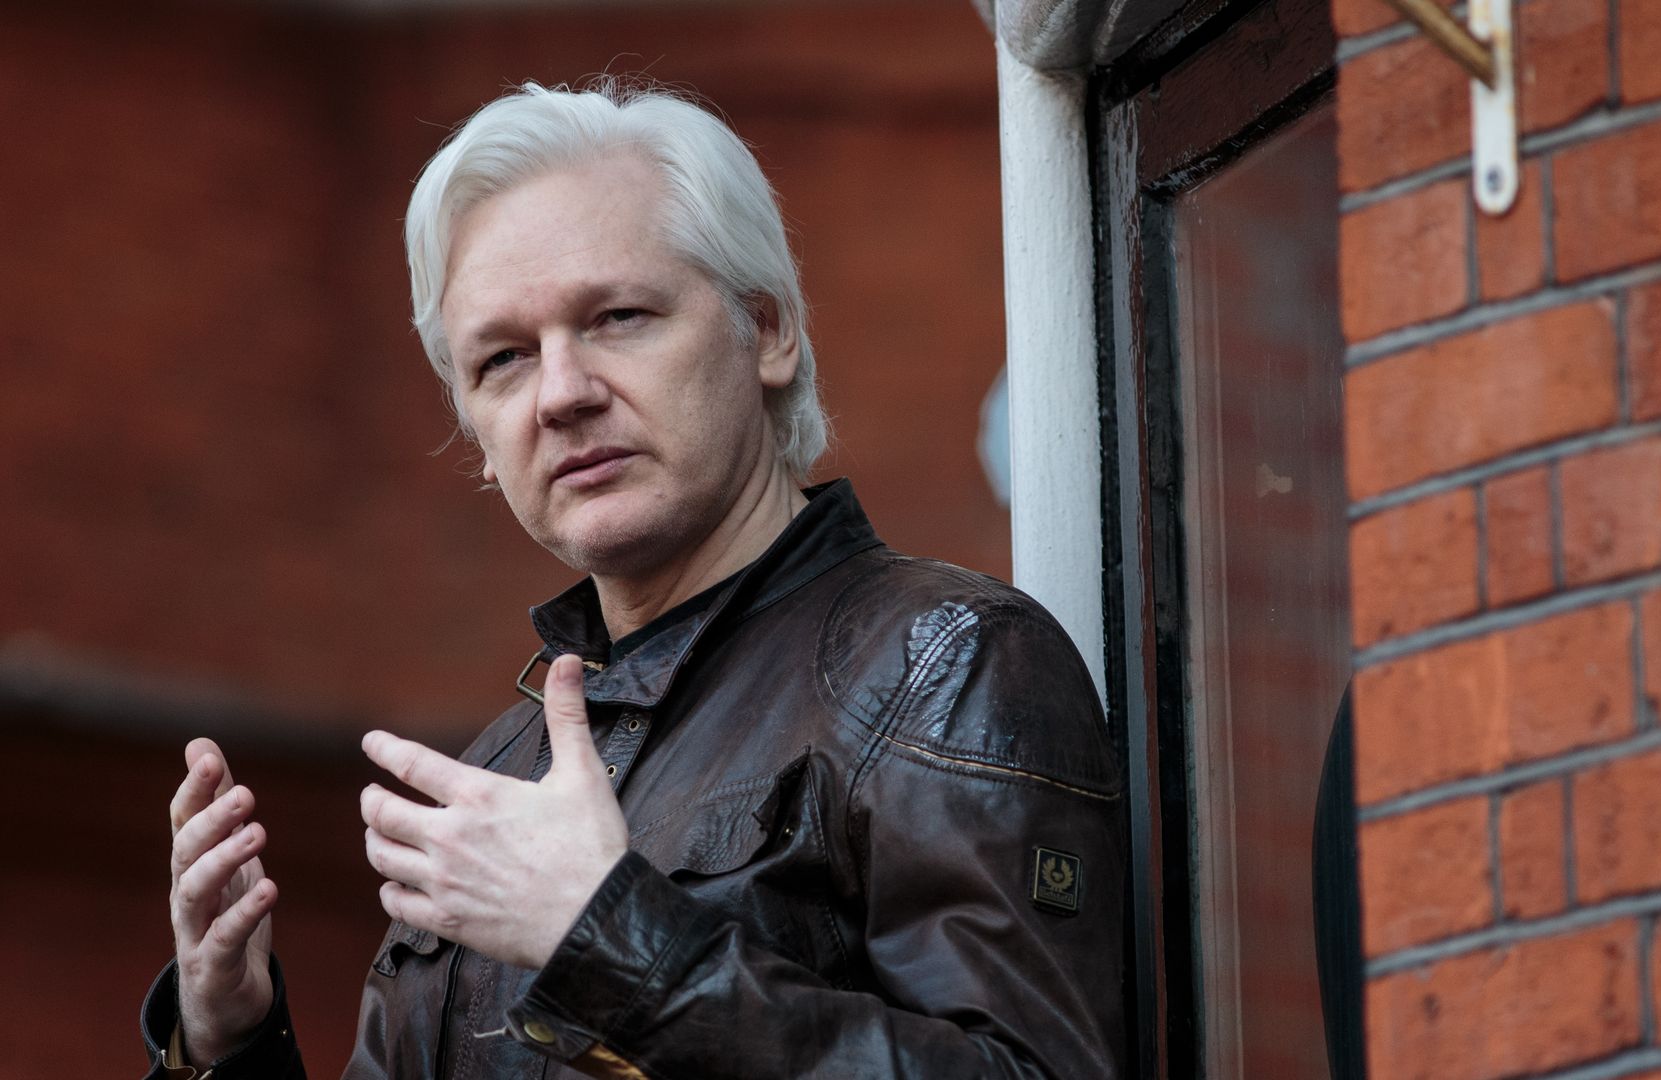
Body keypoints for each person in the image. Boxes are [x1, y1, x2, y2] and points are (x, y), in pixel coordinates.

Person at [140, 81, 1126, 1079]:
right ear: (478, 437)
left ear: (769, 330)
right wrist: (228, 1042)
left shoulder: (944, 662)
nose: (561, 394)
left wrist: (606, 936)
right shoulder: (498, 779)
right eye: (504, 359)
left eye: (617, 316)